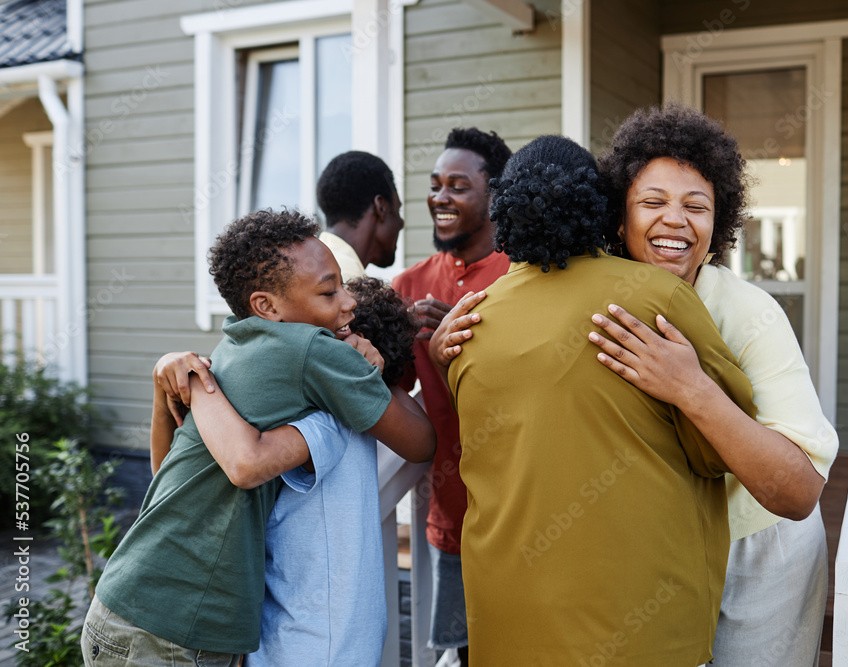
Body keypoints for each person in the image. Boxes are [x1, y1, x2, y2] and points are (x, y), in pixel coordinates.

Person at [443, 135, 757, 665]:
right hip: (642, 632)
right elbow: (722, 449)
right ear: (603, 207)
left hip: (504, 627)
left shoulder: (469, 321)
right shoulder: (658, 298)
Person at [83, 210, 434, 666]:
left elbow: (163, 473)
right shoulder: (315, 351)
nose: (347, 303)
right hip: (174, 628)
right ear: (266, 306)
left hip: (127, 601)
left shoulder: (235, 347)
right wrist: (373, 376)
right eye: (329, 292)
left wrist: (164, 382)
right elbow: (421, 443)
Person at [589, 104, 837, 666]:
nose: (675, 220)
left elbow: (797, 491)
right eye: (652, 202)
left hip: (758, 548)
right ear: (619, 215)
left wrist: (692, 388)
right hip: (655, 547)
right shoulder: (592, 295)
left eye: (695, 206)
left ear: (717, 223)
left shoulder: (752, 314)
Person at [151, 276, 423, 665]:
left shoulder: (326, 420)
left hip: (308, 644)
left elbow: (241, 464)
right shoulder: (324, 411)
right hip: (324, 636)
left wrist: (194, 385)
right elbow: (173, 470)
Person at [391, 127, 511, 663]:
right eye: (436, 184)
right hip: (454, 512)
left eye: (458, 185)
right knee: (464, 654)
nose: (440, 196)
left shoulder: (521, 276)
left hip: (525, 512)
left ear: (495, 194)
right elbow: (383, 390)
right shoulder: (408, 285)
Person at [316, 150, 404, 280]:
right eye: (397, 211)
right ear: (381, 207)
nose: (401, 223)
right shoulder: (348, 280)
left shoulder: (313, 265)